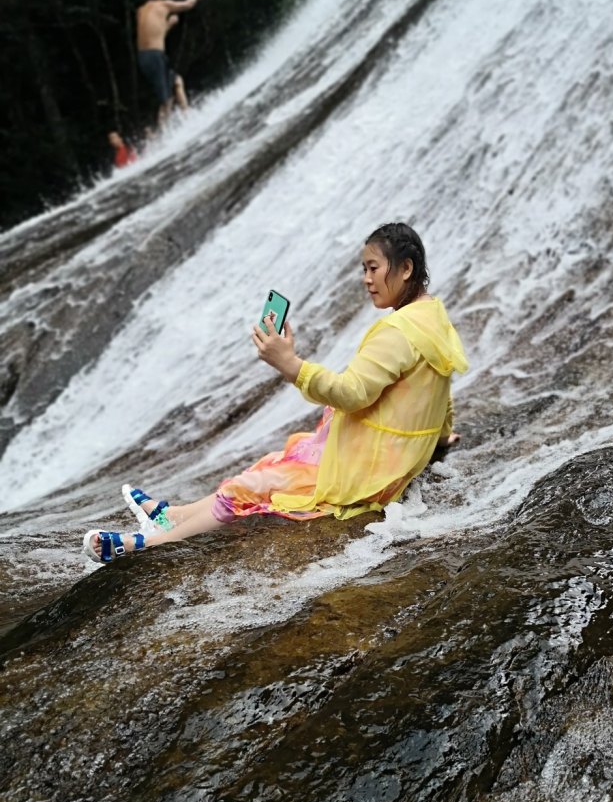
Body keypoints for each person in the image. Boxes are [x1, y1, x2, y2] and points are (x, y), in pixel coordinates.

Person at [82, 223, 469, 563]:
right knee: (276, 463)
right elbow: (440, 384)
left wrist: (290, 363)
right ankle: (174, 515)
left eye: (373, 268)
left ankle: (148, 545)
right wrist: (439, 437)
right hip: (391, 457)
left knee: (259, 485)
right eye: (363, 269)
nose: (366, 279)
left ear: (405, 269)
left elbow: (352, 394)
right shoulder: (432, 316)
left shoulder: (398, 332)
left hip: (370, 471)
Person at [136, 0, 206, 127]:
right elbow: (188, 4)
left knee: (177, 81)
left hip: (145, 57)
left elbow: (154, 36)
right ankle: (164, 135)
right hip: (155, 56)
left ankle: (188, 117)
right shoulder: (163, 4)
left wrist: (168, 24)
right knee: (166, 99)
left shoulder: (140, 11)